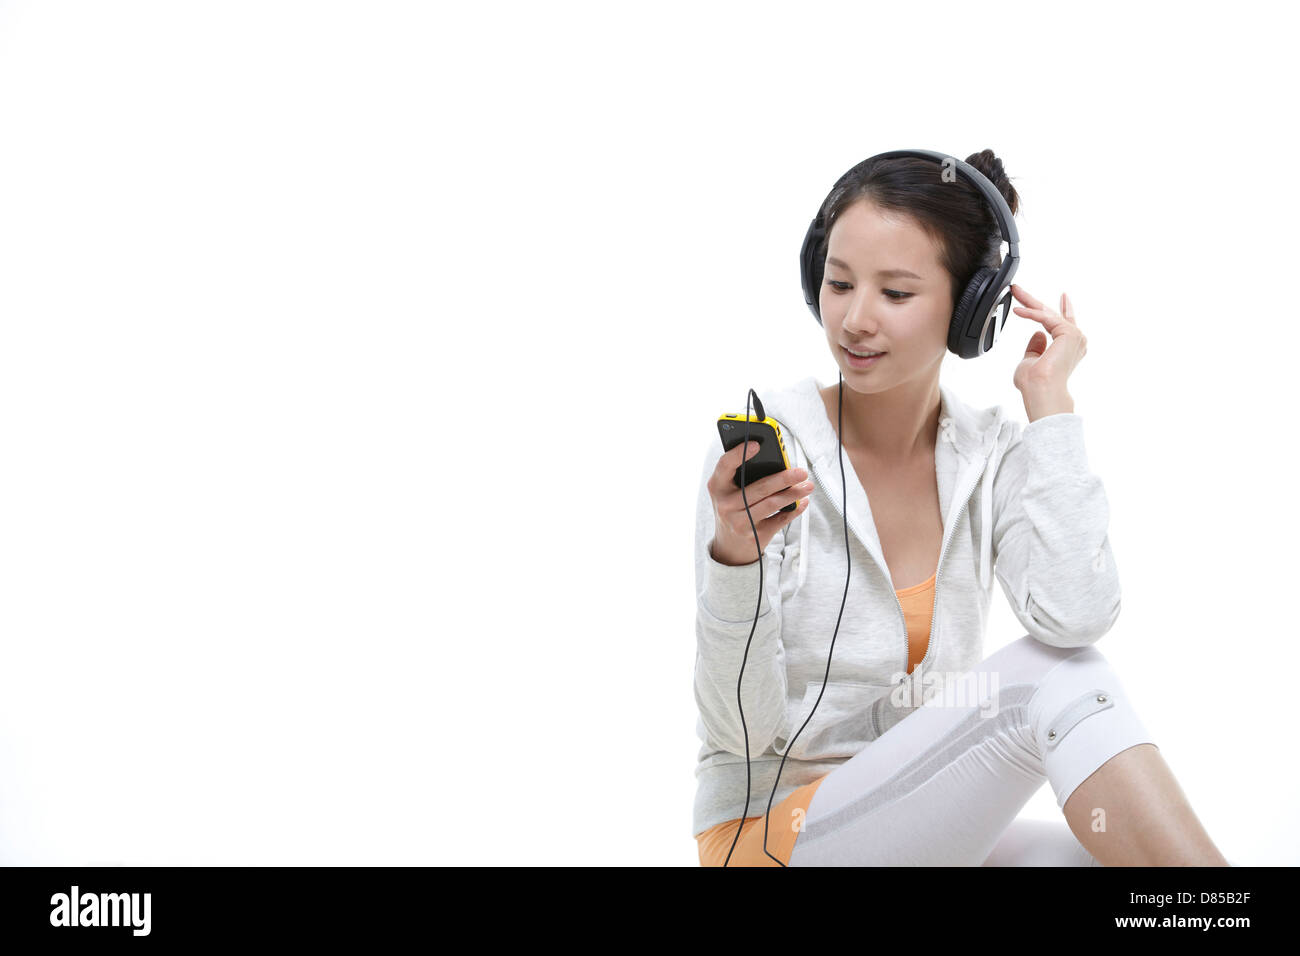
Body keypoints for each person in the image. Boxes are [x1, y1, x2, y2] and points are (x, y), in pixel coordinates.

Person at [691, 150, 1229, 867]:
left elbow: (1075, 617)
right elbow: (742, 733)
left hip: (910, 825)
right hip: (769, 841)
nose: (854, 320)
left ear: (973, 310)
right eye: (840, 283)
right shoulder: (773, 456)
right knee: (1052, 680)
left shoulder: (990, 455)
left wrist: (1051, 409)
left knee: (1104, 861)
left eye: (896, 294)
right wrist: (736, 561)